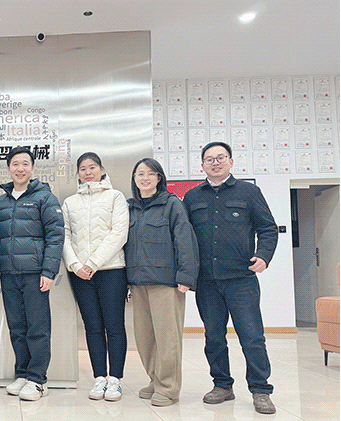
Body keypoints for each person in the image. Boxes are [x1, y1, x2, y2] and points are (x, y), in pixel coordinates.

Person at [183, 142, 279, 415]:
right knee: (214, 337)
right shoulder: (192, 197)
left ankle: (260, 389)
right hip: (206, 281)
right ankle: (222, 385)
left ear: (231, 161)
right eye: (209, 159)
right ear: (202, 165)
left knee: (252, 337)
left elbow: (268, 228)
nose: (215, 163)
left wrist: (263, 256)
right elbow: (184, 237)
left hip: (241, 279)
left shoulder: (249, 192)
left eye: (220, 158)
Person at [125, 158, 199, 407]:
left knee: (168, 338)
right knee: (145, 338)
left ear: (159, 177)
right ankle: (155, 380)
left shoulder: (172, 204)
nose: (144, 178)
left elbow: (185, 240)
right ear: (134, 179)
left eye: (150, 173)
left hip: (166, 283)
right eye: (140, 174)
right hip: (138, 282)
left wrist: (186, 277)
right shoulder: (130, 207)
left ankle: (169, 388)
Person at [0, 147, 64, 401]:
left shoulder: (45, 198)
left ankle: (38, 380)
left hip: (35, 274)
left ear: (33, 168)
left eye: (25, 163)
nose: (20, 168)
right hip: (9, 274)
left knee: (38, 328)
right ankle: (23, 374)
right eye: (15, 164)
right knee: (17, 328)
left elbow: (56, 236)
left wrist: (49, 271)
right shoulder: (1, 202)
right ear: (8, 169)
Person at [61, 152, 128, 402]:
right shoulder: (70, 202)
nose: (88, 172)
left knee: (114, 326)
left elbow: (119, 233)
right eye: (83, 168)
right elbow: (64, 235)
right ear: (78, 173)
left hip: (111, 270)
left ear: (101, 169)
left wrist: (93, 263)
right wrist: (75, 264)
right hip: (80, 274)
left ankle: (115, 379)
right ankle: (99, 376)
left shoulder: (115, 197)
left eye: (92, 167)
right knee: (92, 327)